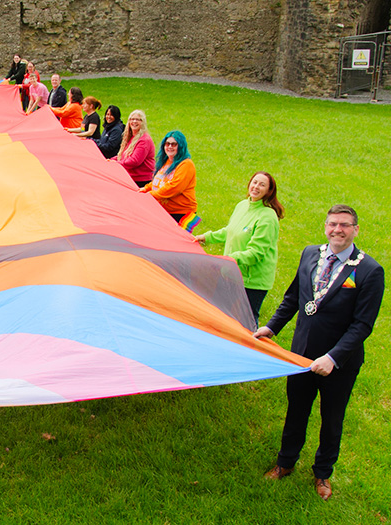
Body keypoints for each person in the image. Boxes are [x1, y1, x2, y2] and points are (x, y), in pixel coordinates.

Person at [255, 205, 384, 501]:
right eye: (333, 224)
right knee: (296, 411)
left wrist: (333, 357)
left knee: (332, 418)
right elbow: (293, 298)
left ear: (356, 229)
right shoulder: (310, 253)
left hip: (339, 363)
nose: (338, 230)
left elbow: (363, 325)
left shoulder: (369, 270)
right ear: (325, 226)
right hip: (301, 356)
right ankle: (285, 463)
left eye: (345, 225)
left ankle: (323, 473)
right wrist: (272, 328)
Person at [195, 171, 283, 321]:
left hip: (252, 281)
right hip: (230, 272)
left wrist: (227, 259)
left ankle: (248, 344)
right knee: (219, 312)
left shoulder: (268, 217)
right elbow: (230, 231)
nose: (256, 187)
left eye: (262, 185)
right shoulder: (242, 205)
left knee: (245, 320)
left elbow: (256, 253)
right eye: (254, 182)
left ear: (269, 191)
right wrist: (206, 237)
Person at [140, 131, 196, 222]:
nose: (170, 147)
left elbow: (175, 187)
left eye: (174, 144)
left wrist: (152, 195)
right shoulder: (166, 162)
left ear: (181, 146)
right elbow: (159, 181)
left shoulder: (186, 164)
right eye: (167, 144)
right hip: (165, 211)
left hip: (181, 213)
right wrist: (145, 189)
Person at [115, 109, 155, 187]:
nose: (134, 121)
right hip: (130, 177)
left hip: (141, 180)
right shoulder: (131, 137)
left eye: (138, 119)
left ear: (142, 122)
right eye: (132, 119)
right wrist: (112, 160)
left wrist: (117, 164)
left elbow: (135, 161)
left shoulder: (144, 140)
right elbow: (124, 155)